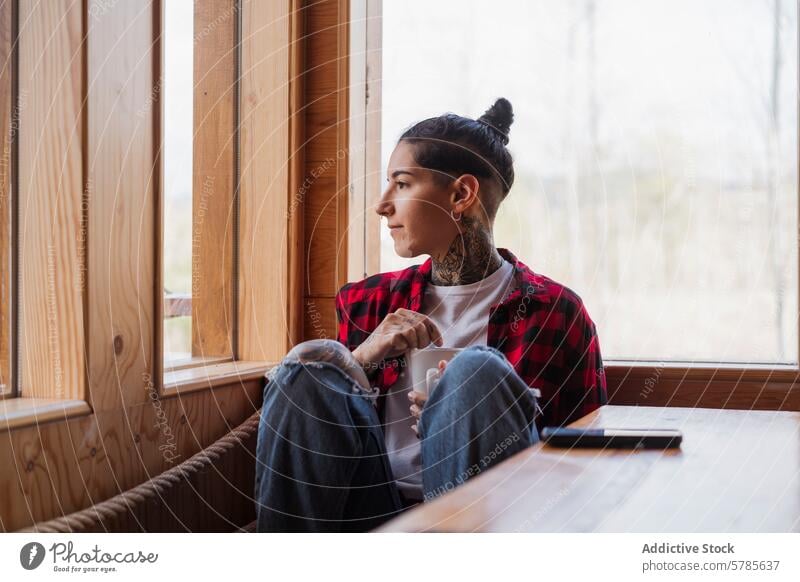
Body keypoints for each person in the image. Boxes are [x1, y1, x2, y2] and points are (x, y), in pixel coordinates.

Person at [255, 97, 607, 532]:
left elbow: (585, 463)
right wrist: (359, 361)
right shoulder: (368, 302)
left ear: (461, 194)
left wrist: (481, 412)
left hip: (493, 525)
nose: (383, 204)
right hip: (370, 515)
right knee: (312, 366)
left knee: (475, 374)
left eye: (401, 184)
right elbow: (313, 427)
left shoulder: (556, 313)